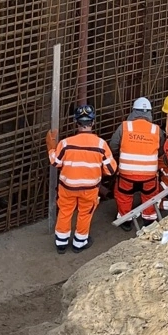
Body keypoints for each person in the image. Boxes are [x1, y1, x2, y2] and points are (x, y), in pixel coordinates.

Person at [47, 104, 115, 252]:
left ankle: (61, 243)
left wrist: (51, 148)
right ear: (93, 122)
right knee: (85, 213)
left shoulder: (65, 144)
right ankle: (79, 243)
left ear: (76, 122)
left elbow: (55, 162)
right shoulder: (101, 145)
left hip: (67, 188)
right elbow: (111, 169)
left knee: (65, 212)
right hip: (90, 189)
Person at [112, 97, 163, 228]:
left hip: (126, 174)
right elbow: (162, 149)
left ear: (133, 111)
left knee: (124, 195)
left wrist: (121, 156)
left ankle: (126, 221)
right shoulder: (156, 130)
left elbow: (113, 146)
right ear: (149, 113)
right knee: (150, 195)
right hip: (149, 176)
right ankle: (149, 220)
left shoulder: (124, 127)